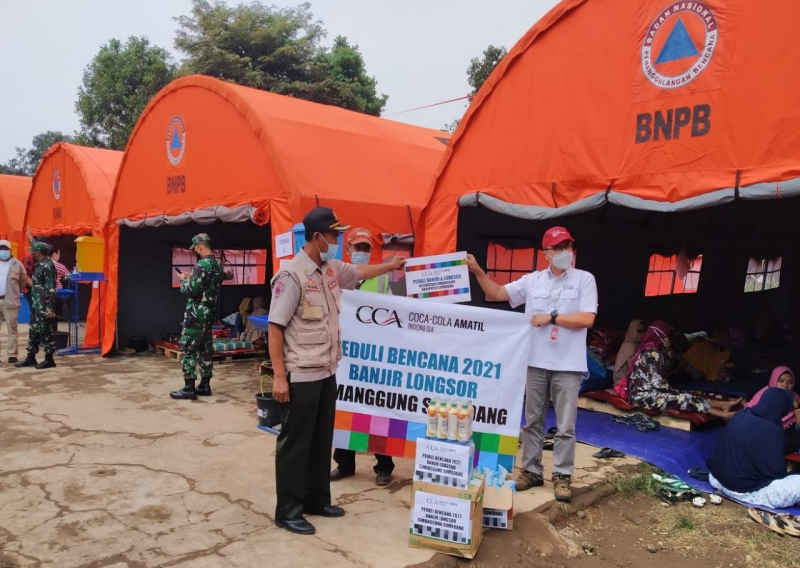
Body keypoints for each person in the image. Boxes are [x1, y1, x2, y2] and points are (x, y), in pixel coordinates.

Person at [268, 207, 404, 535]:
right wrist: (279, 376)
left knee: (320, 441)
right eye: (333, 234)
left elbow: (359, 274)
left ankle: (317, 499)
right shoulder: (292, 276)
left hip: (327, 371)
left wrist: (391, 265)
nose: (337, 239)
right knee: (296, 444)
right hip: (302, 374)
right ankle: (288, 510)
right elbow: (275, 327)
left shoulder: (330, 269)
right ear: (317, 237)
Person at [466, 226, 597, 503]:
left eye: (567, 247)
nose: (564, 253)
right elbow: (497, 293)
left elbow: (587, 319)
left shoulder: (584, 280)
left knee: (565, 425)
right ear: (546, 253)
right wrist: (477, 271)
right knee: (533, 420)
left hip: (568, 365)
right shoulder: (533, 281)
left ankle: (562, 476)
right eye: (557, 248)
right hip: (535, 361)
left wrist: (551, 317)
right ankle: (531, 470)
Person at [331, 227, 395, 486]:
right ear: (347, 250)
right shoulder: (336, 275)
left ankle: (384, 466)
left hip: (372, 358)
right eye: (357, 248)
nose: (361, 253)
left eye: (366, 249)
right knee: (344, 409)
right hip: (344, 356)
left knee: (377, 409)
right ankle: (344, 463)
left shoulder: (382, 280)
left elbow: (394, 313)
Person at [614, 321, 740, 418]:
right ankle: (722, 414)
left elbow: (663, 373)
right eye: (667, 336)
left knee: (680, 395)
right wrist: (670, 392)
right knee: (680, 398)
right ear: (661, 337)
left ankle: (722, 405)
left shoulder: (655, 351)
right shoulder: (651, 353)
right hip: (641, 398)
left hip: (647, 393)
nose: (669, 339)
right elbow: (657, 383)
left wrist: (668, 350)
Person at [707, 388, 800, 509]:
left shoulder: (741, 414)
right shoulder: (772, 429)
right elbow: (776, 473)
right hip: (745, 492)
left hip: (717, 480)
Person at [169, 233, 224, 400]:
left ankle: (189, 387)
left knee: (188, 349)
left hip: (196, 314)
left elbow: (191, 291)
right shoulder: (217, 265)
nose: (196, 252)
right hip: (209, 314)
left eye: (196, 249)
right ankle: (205, 385)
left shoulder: (201, 265)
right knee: (205, 350)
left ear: (200, 246)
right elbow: (206, 285)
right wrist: (190, 277)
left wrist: (183, 281)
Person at [15, 241, 57, 369]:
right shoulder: (39, 264)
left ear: (38, 252)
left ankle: (49, 360)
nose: (31, 253)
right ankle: (31, 358)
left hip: (44, 306)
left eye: (33, 251)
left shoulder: (48, 266)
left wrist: (50, 308)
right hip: (37, 305)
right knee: (33, 331)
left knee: (46, 332)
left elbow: (51, 288)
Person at [744, 366, 800, 453]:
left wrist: (796, 407)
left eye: (790, 382)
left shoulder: (795, 397)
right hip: (762, 431)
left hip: (782, 434)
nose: (785, 385)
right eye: (781, 381)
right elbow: (750, 412)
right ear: (774, 381)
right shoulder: (764, 393)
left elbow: (798, 426)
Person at [0, 240, 29, 363]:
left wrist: (15, 292)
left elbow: (23, 280)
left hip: (10, 301)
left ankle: (12, 354)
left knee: (12, 329)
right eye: (1, 249)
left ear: (10, 250)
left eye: (5, 249)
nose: (3, 251)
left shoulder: (17, 264)